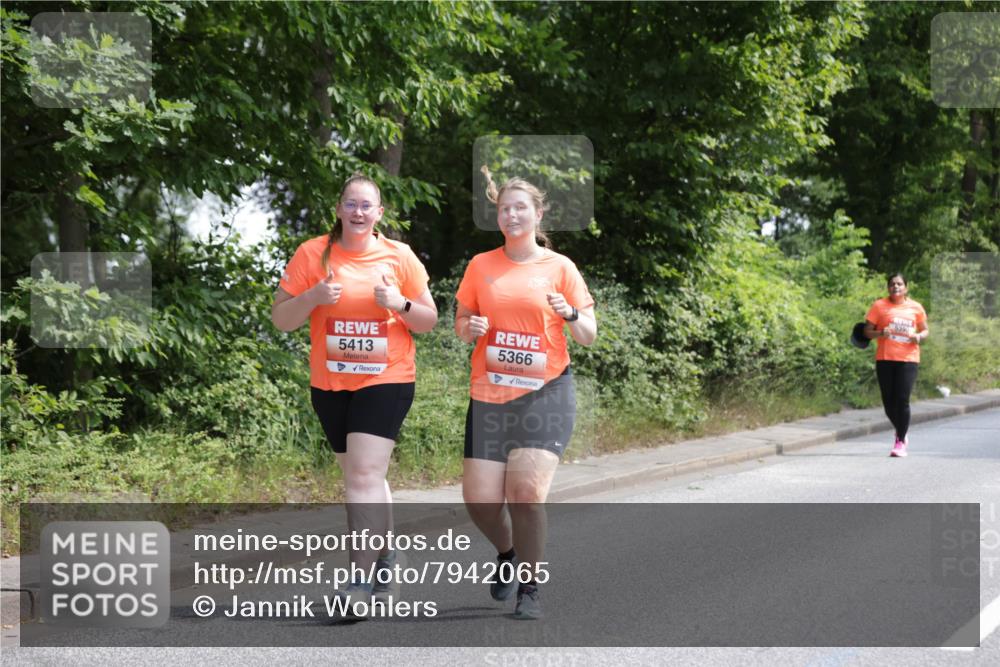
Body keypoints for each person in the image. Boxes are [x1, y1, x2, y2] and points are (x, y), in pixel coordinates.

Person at [271, 173, 437, 607]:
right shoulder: (313, 253)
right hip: (330, 383)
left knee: (362, 476)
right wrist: (314, 296)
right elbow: (281, 319)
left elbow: (428, 319)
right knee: (362, 475)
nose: (358, 212)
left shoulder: (399, 256)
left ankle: (358, 584)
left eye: (367, 205)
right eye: (351, 204)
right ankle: (385, 556)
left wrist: (398, 304)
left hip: (386, 379)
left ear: (379, 213)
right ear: (340, 209)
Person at [455, 167, 597, 620]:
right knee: (479, 499)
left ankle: (531, 588)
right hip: (489, 394)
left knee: (526, 491)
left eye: (521, 208)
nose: (512, 215)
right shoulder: (481, 266)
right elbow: (461, 324)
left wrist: (571, 312)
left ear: (538, 214)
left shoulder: (560, 268)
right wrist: (469, 327)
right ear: (497, 216)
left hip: (545, 392)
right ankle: (508, 553)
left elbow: (589, 335)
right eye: (504, 209)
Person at [863, 273, 928, 457]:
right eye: (892, 284)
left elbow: (925, 330)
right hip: (885, 358)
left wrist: (918, 336)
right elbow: (867, 332)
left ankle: (900, 440)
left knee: (902, 399)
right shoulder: (879, 306)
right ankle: (901, 429)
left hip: (908, 359)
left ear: (906, 287)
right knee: (888, 402)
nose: (896, 287)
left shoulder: (915, 307)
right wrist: (880, 332)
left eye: (899, 284)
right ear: (888, 288)